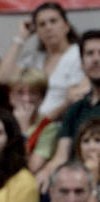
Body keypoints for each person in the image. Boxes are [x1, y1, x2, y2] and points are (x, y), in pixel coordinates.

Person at [0, 2, 86, 125]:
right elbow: (2, 78)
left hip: (61, 124)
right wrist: (21, 37)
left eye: (53, 21)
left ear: (66, 26)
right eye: (42, 24)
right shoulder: (34, 58)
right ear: (37, 31)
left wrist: (41, 124)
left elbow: (75, 98)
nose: (48, 28)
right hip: (28, 124)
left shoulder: (79, 54)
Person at [36, 29, 100, 188]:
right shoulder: (75, 109)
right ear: (82, 63)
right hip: (78, 184)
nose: (96, 59)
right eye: (90, 54)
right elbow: (61, 156)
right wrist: (45, 171)